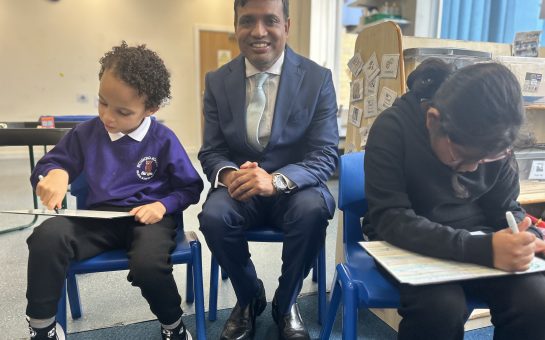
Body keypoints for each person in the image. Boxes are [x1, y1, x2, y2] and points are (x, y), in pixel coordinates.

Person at [25, 42, 203, 340]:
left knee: (148, 265)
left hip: (150, 220)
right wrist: (56, 174)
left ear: (150, 109)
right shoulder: (85, 133)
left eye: (122, 111)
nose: (108, 116)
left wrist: (163, 205)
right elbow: (52, 163)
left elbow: (190, 187)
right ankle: (42, 328)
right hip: (98, 220)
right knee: (46, 236)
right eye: (102, 102)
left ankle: (173, 326)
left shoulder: (163, 140)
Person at [363, 58, 545, 340]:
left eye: (486, 159)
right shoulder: (392, 128)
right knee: (440, 307)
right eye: (463, 156)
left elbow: (505, 210)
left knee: (536, 300)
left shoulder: (496, 141)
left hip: (478, 238)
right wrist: (483, 249)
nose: (473, 168)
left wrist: (526, 236)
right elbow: (390, 218)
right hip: (406, 241)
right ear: (432, 120)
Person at [197, 0, 338, 339]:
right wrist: (231, 176)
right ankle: (249, 297)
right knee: (213, 216)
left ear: (286, 26)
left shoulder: (317, 79)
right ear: (236, 26)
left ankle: (286, 302)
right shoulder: (217, 81)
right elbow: (212, 150)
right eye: (247, 21)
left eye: (270, 20)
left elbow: (324, 154)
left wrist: (275, 181)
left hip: (295, 189)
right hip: (241, 189)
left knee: (313, 210)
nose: (258, 32)